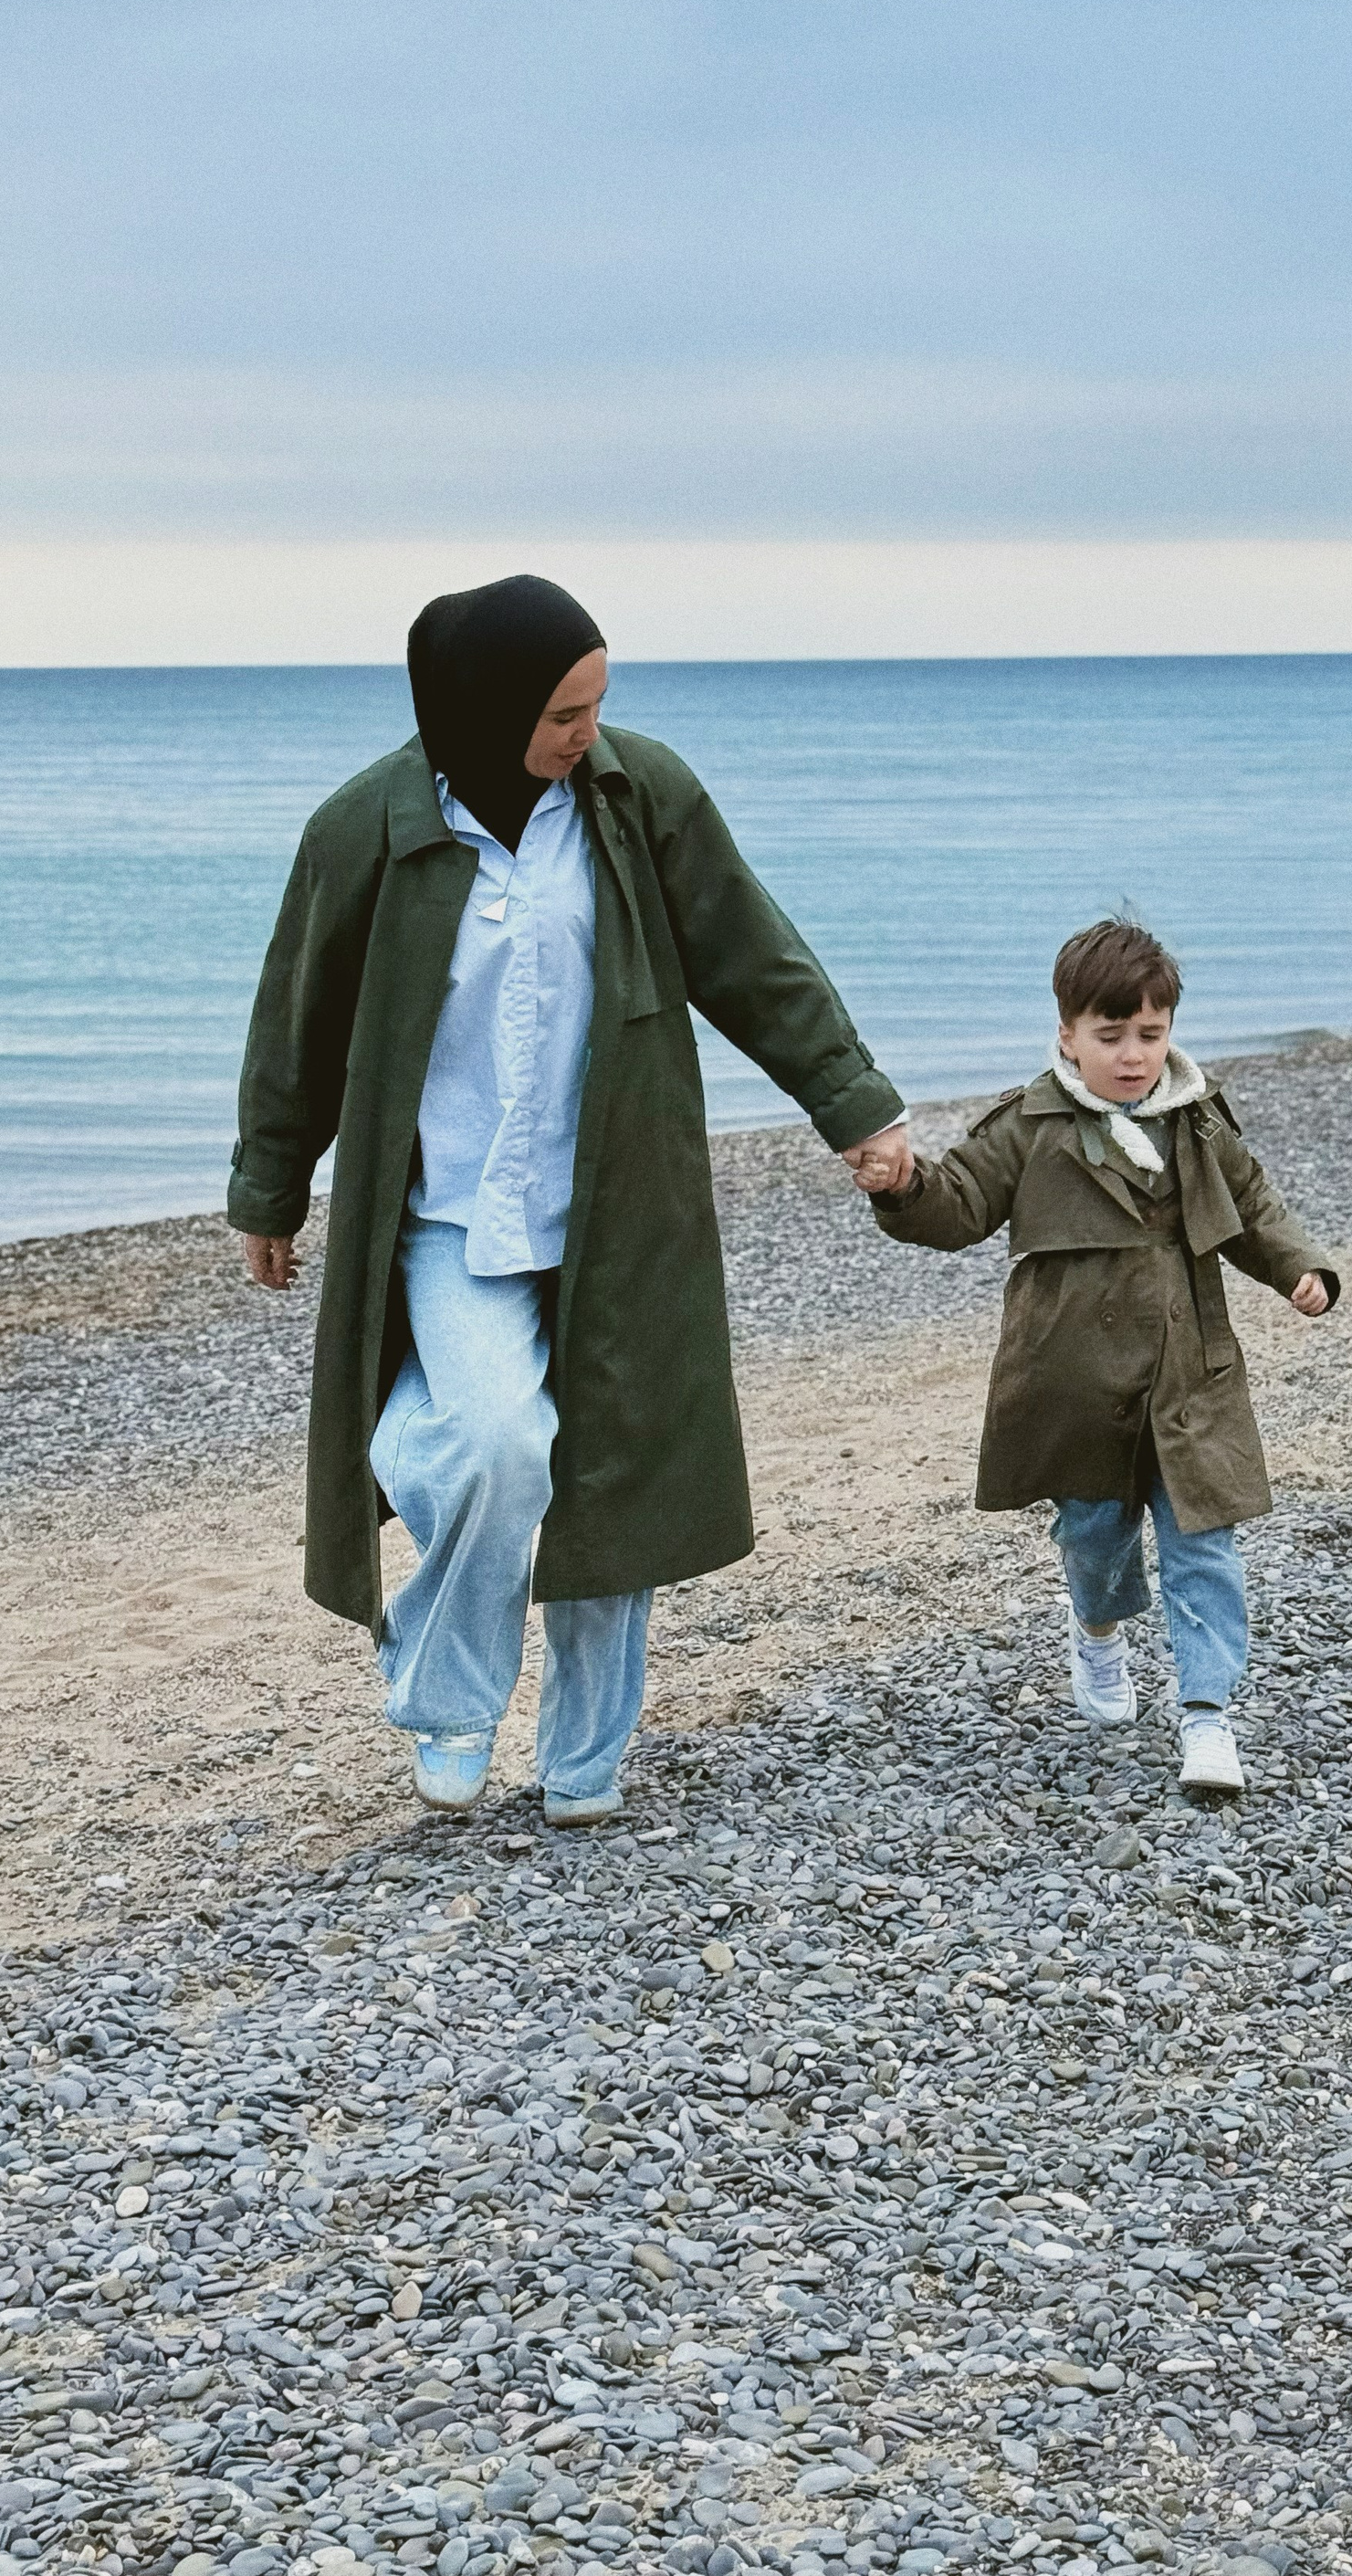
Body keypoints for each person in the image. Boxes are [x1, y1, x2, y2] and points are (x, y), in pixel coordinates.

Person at [229, 573, 912, 1825]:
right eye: (561, 712)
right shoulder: (361, 832)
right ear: (482, 712)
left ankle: (586, 1750)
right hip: (450, 1220)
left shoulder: (640, 796)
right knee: (493, 1446)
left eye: (597, 702)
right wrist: (271, 1182)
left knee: (615, 1486)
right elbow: (299, 1020)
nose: (586, 730)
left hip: (620, 1210)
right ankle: (446, 1695)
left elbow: (750, 955)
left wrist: (854, 1106)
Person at [854, 918, 1336, 1796]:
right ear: (1068, 1032)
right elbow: (959, 1204)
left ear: (1169, 1031)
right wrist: (905, 1185)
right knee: (1095, 1540)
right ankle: (1098, 1630)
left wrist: (1300, 1267)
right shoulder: (1031, 1121)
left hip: (1190, 1378)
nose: (1130, 1055)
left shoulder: (1196, 1117)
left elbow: (1255, 1201)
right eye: (1109, 1035)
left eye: (1148, 1035)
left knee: (1204, 1540)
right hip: (1074, 1384)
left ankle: (1207, 1717)